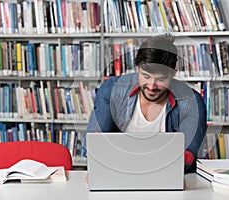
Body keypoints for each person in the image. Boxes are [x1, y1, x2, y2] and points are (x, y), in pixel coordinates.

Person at [86, 33, 207, 173]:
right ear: (137, 68)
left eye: (161, 79)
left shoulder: (191, 101)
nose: (151, 86)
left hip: (165, 176)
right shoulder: (112, 90)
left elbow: (188, 156)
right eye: (146, 76)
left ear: (174, 73)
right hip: (118, 174)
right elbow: (95, 144)